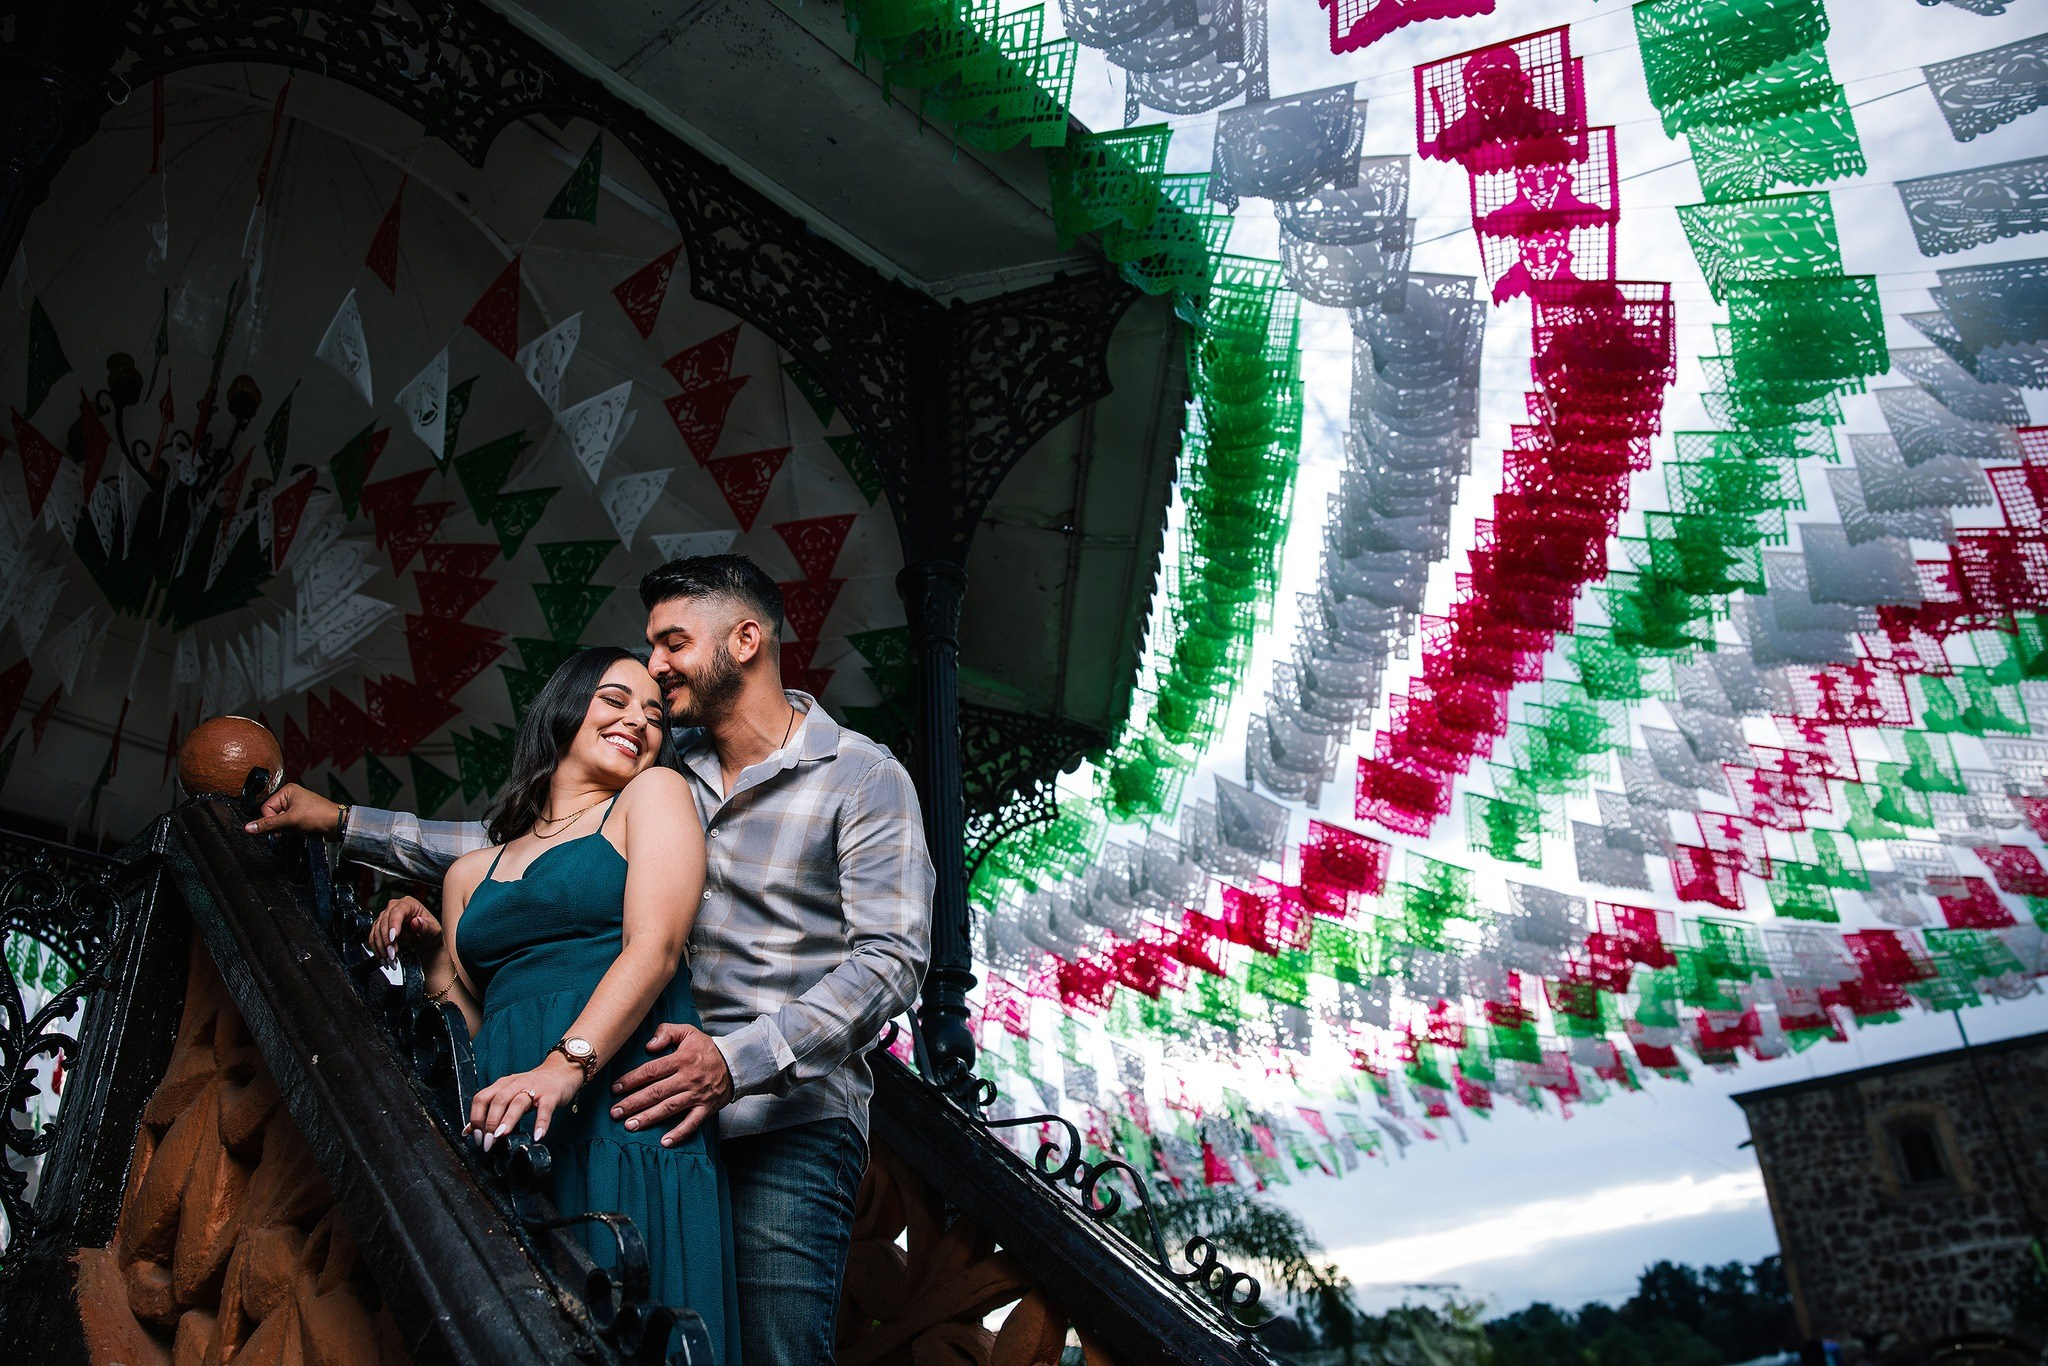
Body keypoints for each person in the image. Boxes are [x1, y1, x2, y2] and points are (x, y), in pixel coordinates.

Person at [250, 555, 935, 1365]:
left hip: (784, 1119)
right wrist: (341, 823)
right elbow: (529, 853)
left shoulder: (859, 776)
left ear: (746, 640)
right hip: (638, 1093)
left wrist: (737, 1060)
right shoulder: (664, 770)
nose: (656, 665)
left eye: (673, 643)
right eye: (649, 650)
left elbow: (891, 962)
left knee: (770, 1353)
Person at [365, 645, 740, 1361]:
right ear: (565, 708)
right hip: (512, 1123)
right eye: (616, 699)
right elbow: (464, 1031)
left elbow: (656, 948)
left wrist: (564, 1066)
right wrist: (426, 950)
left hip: (622, 1104)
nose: (641, 721)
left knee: (631, 1324)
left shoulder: (652, 797)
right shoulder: (472, 871)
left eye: (655, 713)